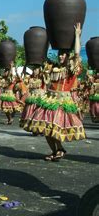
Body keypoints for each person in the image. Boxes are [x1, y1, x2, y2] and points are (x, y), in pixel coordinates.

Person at [27, 23, 86, 161]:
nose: (60, 57)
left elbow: (76, 54)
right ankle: (56, 150)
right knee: (45, 129)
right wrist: (43, 43)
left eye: (63, 55)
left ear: (68, 57)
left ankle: (60, 149)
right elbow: (42, 60)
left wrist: (77, 35)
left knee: (54, 127)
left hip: (62, 101)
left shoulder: (71, 70)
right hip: (49, 100)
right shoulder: (52, 68)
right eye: (59, 55)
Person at [19, 64, 47, 130]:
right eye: (33, 70)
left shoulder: (42, 78)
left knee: (39, 113)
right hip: (32, 96)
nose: (34, 71)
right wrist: (25, 66)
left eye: (36, 70)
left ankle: (39, 128)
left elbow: (46, 79)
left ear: (39, 70)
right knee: (30, 112)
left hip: (40, 97)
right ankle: (33, 127)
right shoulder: (30, 78)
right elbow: (24, 80)